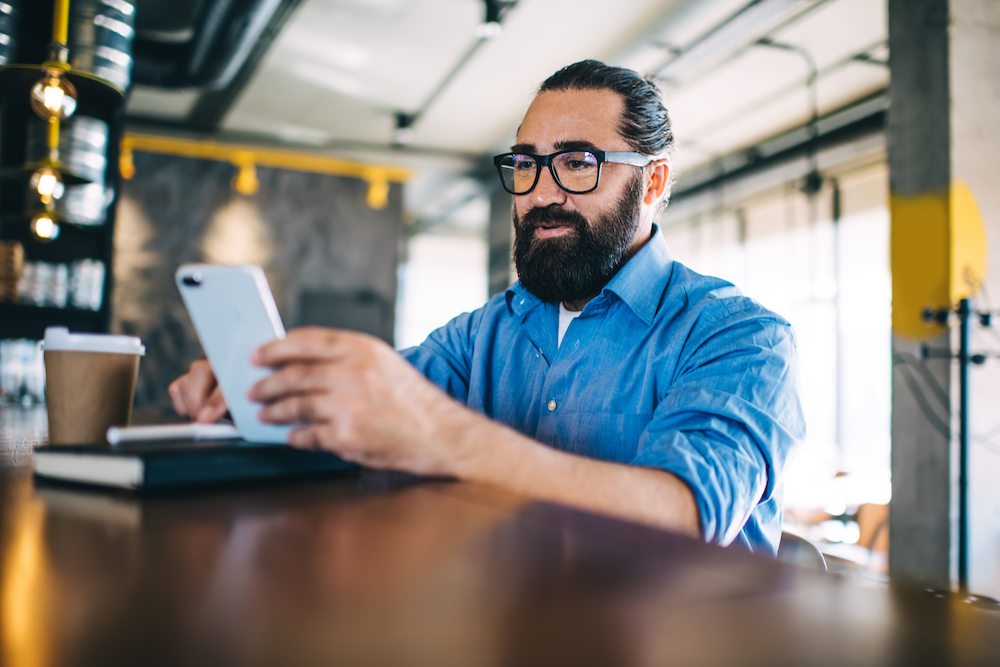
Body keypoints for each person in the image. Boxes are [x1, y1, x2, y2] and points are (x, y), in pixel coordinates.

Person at [169, 60, 805, 555]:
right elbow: (366, 414)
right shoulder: (482, 335)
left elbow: (686, 517)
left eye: (578, 163)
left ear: (654, 181)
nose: (542, 193)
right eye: (526, 164)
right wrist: (261, 390)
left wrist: (446, 437)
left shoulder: (741, 338)